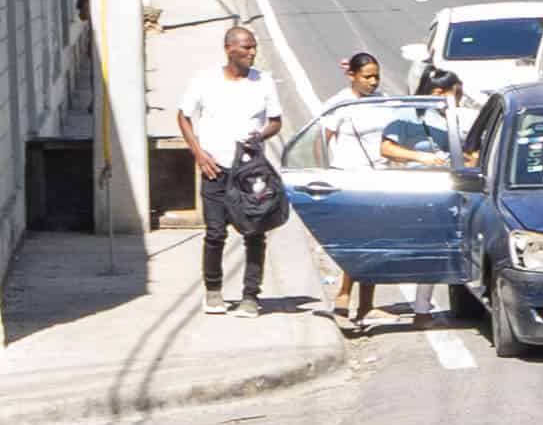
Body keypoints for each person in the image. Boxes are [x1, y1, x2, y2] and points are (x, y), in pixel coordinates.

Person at [310, 50, 452, 332]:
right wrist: (322, 175)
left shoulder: (382, 101)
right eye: (367, 76)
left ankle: (365, 306)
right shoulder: (338, 105)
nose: (373, 82)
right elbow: (320, 142)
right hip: (348, 182)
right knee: (357, 244)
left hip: (378, 180)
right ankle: (342, 300)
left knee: (374, 244)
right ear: (352, 75)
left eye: (376, 76)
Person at [178, 22, 286, 314]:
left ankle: (251, 295)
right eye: (246, 47)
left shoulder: (263, 82)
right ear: (229, 49)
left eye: (254, 48)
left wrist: (260, 135)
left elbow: (275, 121)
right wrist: (199, 155)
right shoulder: (205, 80)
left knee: (254, 232)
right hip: (216, 169)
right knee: (215, 233)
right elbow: (184, 117)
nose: (252, 53)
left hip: (250, 172)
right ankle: (213, 290)